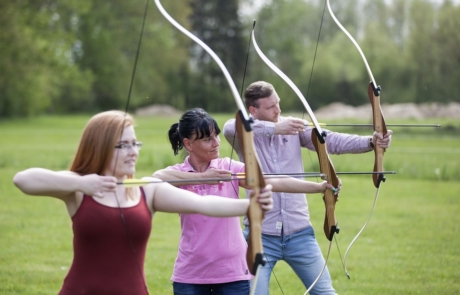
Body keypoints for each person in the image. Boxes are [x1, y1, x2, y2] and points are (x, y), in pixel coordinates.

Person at [12, 110, 275, 295]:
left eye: (134, 143)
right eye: (122, 145)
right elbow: (23, 179)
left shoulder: (147, 190)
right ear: (101, 146)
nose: (133, 151)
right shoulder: (79, 191)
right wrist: (82, 183)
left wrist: (250, 206)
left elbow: (203, 204)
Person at [223, 81, 393, 295]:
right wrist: (274, 128)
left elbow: (329, 140)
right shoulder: (243, 135)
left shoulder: (293, 128)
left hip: (300, 233)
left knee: (325, 292)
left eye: (278, 103)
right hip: (260, 235)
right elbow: (230, 126)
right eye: (271, 107)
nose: (278, 110)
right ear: (253, 110)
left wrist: (370, 142)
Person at [152, 108, 339, 295]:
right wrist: (203, 177)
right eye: (207, 139)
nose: (216, 143)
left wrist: (319, 187)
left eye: (216, 136)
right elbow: (156, 178)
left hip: (233, 273)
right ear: (188, 144)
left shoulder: (229, 168)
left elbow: (272, 180)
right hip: (190, 274)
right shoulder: (179, 173)